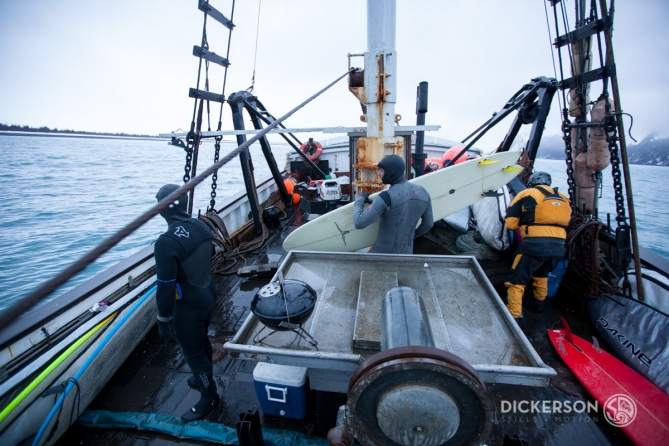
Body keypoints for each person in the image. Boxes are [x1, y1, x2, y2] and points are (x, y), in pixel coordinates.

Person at [153, 184, 219, 421]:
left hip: (189, 306)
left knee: (192, 353)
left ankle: (209, 395)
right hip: (208, 293)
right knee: (202, 340)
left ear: (161, 208)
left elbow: (165, 287)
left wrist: (163, 320)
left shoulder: (165, 243)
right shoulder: (201, 225)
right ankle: (204, 375)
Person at [503, 172, 571, 319]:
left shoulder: (525, 194)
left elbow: (510, 224)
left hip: (534, 246)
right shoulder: (564, 198)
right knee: (541, 274)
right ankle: (538, 304)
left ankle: (513, 315)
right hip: (558, 247)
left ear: (532, 181)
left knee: (516, 280)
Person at [354, 154, 434, 253]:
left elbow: (359, 223)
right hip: (406, 254)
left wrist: (360, 200)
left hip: (380, 257)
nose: (378, 173)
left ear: (391, 172)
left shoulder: (386, 197)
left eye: (382, 170)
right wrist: (411, 236)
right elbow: (428, 224)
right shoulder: (423, 192)